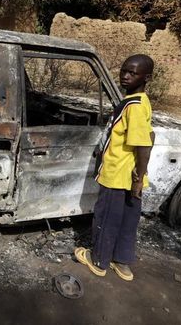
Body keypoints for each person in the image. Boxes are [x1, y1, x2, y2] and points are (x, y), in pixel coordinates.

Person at [75, 54, 155, 282]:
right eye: (123, 71)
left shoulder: (135, 106)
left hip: (118, 173)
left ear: (146, 77)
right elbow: (148, 135)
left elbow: (143, 145)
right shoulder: (140, 101)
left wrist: (138, 179)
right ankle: (122, 263)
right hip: (131, 173)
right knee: (128, 220)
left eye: (133, 72)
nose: (126, 76)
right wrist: (139, 177)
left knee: (107, 217)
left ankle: (98, 260)